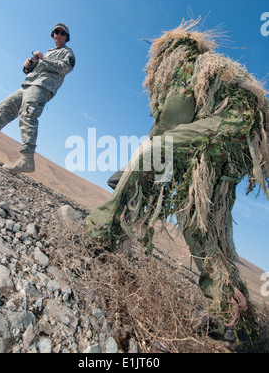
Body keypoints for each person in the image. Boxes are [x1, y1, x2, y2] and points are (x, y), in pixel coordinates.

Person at [87, 19, 269, 338]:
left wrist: (131, 169)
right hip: (240, 148)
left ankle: (98, 234)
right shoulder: (216, 70)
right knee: (200, 226)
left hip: (234, 129)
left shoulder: (186, 64)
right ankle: (235, 320)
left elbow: (171, 124)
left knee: (154, 153)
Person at [0, 23, 75, 174]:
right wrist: (28, 66)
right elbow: (32, 70)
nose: (58, 34)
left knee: (28, 114)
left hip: (42, 87)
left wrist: (43, 59)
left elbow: (66, 67)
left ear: (66, 37)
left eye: (62, 33)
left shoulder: (67, 52)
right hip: (28, 84)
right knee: (4, 107)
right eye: (56, 32)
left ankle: (26, 159)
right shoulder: (50, 51)